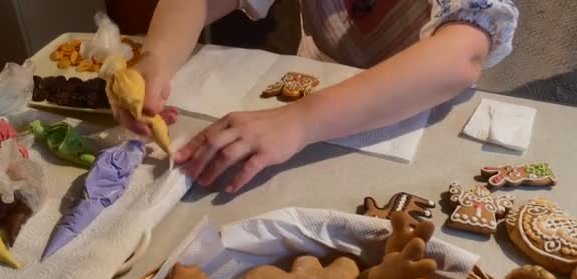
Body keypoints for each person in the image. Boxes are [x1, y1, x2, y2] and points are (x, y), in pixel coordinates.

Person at [116, 0, 518, 193]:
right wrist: (157, 58)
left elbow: (460, 57)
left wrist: (301, 121)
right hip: (299, 123)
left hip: (414, 126)